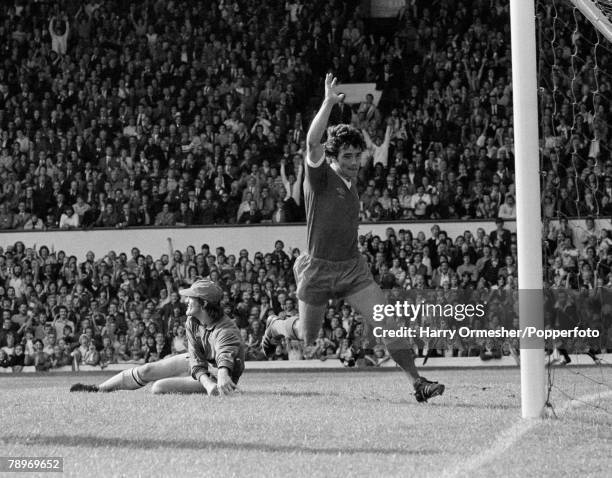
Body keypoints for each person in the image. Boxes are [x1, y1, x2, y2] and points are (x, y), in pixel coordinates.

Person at [262, 74, 444, 402]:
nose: (354, 162)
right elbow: (311, 142)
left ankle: (418, 383)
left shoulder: (352, 181)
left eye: (357, 156)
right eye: (347, 157)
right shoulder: (318, 177)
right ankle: (275, 326)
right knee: (307, 336)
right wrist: (329, 102)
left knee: (386, 321)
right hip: (318, 269)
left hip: (352, 268)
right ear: (332, 158)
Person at [70, 279, 245, 395]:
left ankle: (224, 388)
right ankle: (98, 389)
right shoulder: (192, 320)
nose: (186, 300)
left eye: (191, 297)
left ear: (204, 303)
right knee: (146, 370)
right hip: (201, 365)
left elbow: (225, 356)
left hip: (220, 373)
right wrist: (206, 384)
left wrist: (221, 376)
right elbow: (195, 358)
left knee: (158, 387)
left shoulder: (226, 330)